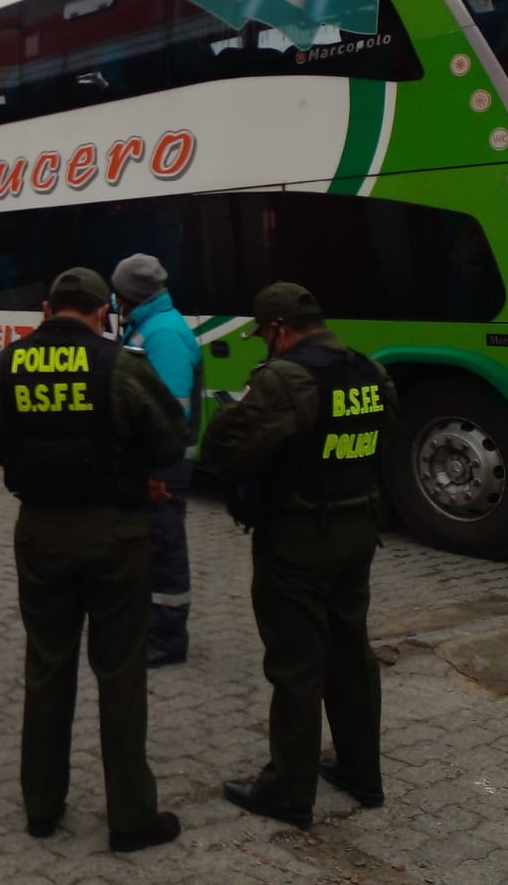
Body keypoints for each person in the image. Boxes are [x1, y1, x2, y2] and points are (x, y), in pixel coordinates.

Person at [0, 268, 187, 853]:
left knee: (46, 669)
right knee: (120, 674)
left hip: (38, 531)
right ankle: (130, 818)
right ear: (100, 310)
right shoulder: (121, 364)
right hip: (115, 533)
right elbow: (171, 441)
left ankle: (42, 807)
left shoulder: (6, 365)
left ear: (47, 308)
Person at [197, 282, 397, 829]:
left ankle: (288, 790)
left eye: (264, 334)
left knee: (297, 664)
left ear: (280, 328)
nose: (265, 343)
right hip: (357, 531)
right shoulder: (369, 371)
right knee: (351, 655)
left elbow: (222, 450)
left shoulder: (285, 379)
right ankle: (362, 774)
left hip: (299, 540)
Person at [111, 253, 202, 667]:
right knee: (153, 543)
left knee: (165, 546)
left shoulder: (163, 334)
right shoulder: (147, 326)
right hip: (155, 459)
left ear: (131, 295)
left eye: (119, 294)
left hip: (163, 463)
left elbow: (170, 410)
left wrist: (153, 470)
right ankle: (154, 628)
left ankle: (167, 638)